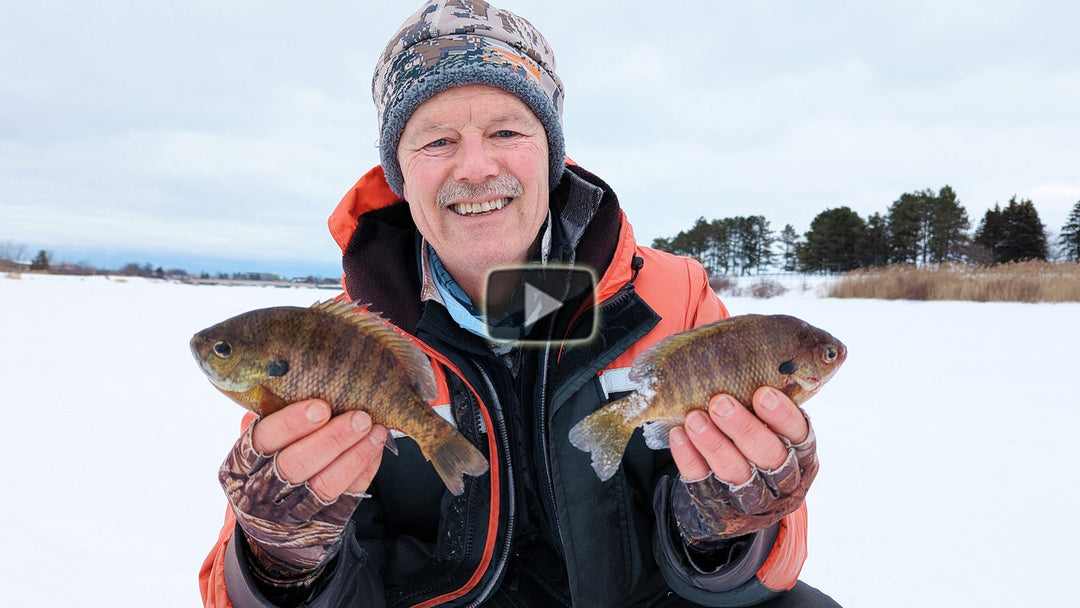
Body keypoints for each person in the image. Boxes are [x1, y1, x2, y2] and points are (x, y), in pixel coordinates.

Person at [200, 2, 840, 606]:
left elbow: (773, 569)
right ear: (398, 171)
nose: (475, 168)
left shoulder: (678, 300)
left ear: (551, 152)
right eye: (436, 141)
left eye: (506, 130)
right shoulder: (341, 337)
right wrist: (280, 557)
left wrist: (725, 527)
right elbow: (237, 589)